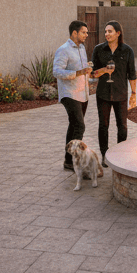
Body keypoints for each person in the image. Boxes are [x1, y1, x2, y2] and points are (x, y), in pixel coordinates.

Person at [91, 19, 137, 167]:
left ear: (118, 33)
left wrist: (133, 94)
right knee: (103, 125)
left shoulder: (127, 50)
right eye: (105, 31)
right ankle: (104, 155)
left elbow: (132, 74)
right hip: (103, 93)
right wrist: (104, 70)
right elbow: (93, 74)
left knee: (122, 126)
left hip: (121, 93)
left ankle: (120, 154)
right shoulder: (98, 50)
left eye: (110, 31)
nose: (107, 34)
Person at [53, 20, 92, 171]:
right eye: (84, 32)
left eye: (87, 32)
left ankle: (68, 161)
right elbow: (56, 71)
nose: (87, 35)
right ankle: (76, 160)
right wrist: (78, 73)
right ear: (74, 33)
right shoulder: (63, 50)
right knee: (80, 126)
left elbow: (83, 70)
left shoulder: (82, 48)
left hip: (83, 93)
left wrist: (90, 73)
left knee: (74, 125)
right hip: (69, 94)